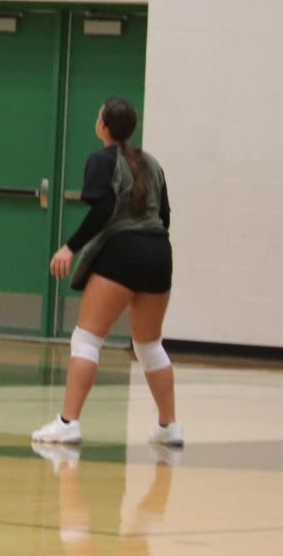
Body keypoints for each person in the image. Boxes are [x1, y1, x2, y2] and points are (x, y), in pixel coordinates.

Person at [33, 97, 180, 447]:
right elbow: (166, 217)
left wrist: (69, 246)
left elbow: (103, 209)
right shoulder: (152, 163)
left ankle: (68, 423)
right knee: (149, 345)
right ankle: (169, 426)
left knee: (86, 339)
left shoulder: (102, 160)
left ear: (103, 125)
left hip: (122, 250)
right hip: (159, 251)